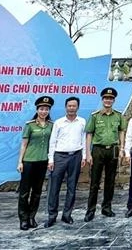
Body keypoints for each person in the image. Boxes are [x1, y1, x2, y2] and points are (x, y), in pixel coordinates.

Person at [83, 87, 127, 222]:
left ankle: (106, 208)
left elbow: (121, 132)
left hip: (113, 149)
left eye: (111, 99)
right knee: (95, 182)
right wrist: (88, 153)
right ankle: (90, 210)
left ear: (114, 100)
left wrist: (122, 148)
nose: (108, 100)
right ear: (102, 100)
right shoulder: (95, 116)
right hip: (98, 150)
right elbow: (89, 134)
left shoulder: (118, 115)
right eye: (106, 98)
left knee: (110, 180)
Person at [45, 96, 86, 227]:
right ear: (66, 107)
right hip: (59, 157)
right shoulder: (59, 122)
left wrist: (84, 156)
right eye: (69, 106)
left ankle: (67, 215)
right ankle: (52, 215)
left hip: (76, 156)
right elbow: (52, 141)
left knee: (72, 187)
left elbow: (84, 140)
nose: (71, 108)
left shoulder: (82, 122)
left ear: (77, 107)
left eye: (74, 106)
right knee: (54, 187)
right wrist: (51, 159)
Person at [16, 96, 54, 230]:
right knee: (25, 192)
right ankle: (23, 219)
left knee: (37, 192)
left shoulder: (51, 125)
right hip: (29, 162)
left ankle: (32, 217)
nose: (44, 111)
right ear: (37, 110)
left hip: (42, 162)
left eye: (46, 109)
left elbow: (52, 144)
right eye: (41, 109)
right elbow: (24, 144)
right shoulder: (30, 125)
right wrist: (20, 161)